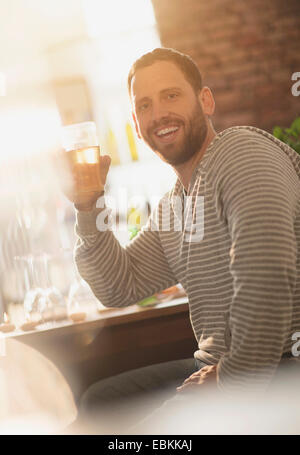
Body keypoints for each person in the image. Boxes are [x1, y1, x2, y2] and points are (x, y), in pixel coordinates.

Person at [68, 48, 300, 433]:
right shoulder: (175, 206)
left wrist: (231, 381)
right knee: (99, 403)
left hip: (280, 368)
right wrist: (88, 206)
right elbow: (116, 286)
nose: (158, 113)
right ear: (136, 124)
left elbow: (267, 275)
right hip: (217, 366)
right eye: (145, 105)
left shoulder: (241, 152)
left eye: (171, 95)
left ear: (205, 101)